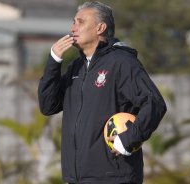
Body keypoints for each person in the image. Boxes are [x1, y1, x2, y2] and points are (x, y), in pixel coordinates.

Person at [38, 1, 167, 184]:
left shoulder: (122, 62)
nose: (73, 28)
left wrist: (127, 140)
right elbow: (48, 106)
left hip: (114, 178)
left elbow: (154, 103)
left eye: (80, 22)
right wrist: (54, 61)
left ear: (100, 27)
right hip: (76, 179)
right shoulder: (77, 67)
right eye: (73, 22)